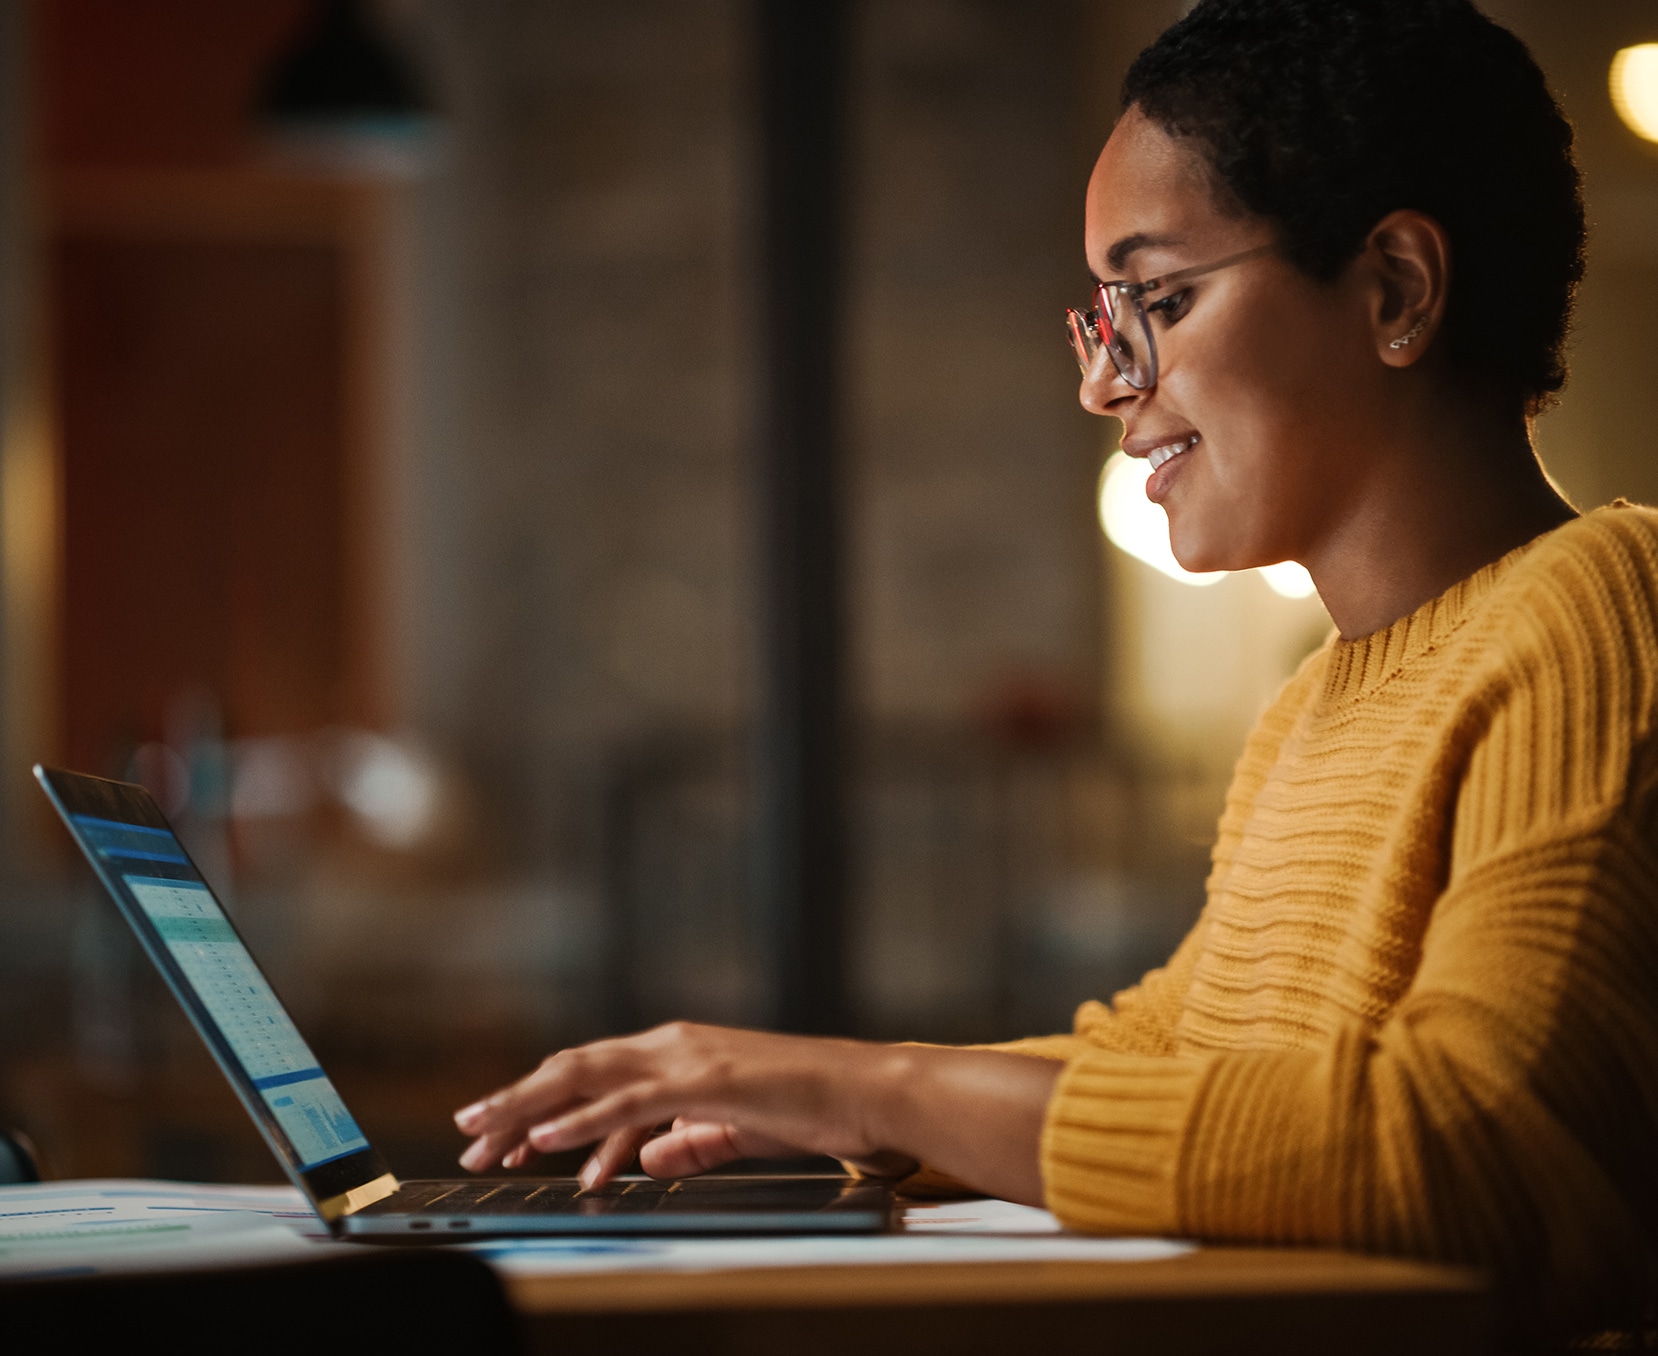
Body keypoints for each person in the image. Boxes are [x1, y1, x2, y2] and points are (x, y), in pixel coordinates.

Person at [456, 0, 1658, 1345]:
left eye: (1158, 299)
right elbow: (1174, 1056)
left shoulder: (1600, 616)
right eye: (1107, 313)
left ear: (1391, 290)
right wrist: (801, 1086)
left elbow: (1465, 1143)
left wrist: (881, 1094)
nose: (1104, 387)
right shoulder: (1322, 699)